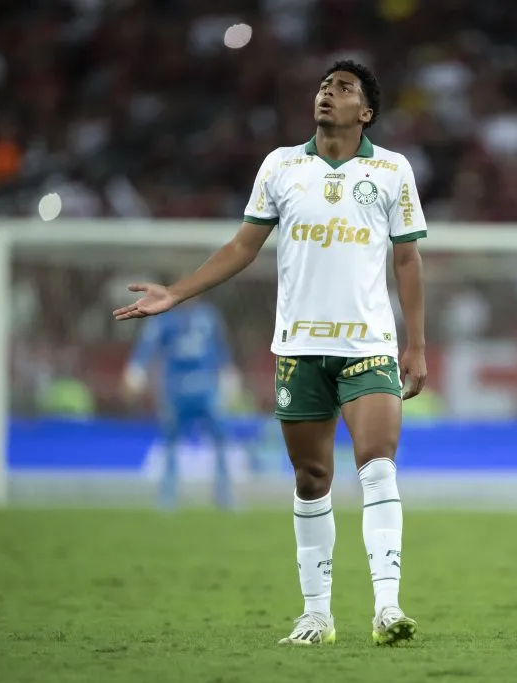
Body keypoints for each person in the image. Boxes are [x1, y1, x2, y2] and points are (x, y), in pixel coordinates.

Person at [113, 60, 427, 646]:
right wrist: (176, 293)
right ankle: (317, 615)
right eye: (323, 85)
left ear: (367, 112)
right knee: (312, 478)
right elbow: (242, 245)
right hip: (300, 348)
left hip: (370, 345)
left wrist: (417, 343)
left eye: (344, 88)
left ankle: (388, 607)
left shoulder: (391, 171)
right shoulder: (280, 166)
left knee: (378, 466)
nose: (327, 93)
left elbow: (406, 258)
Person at [124, 299, 238, 510]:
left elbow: (220, 347)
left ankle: (224, 494)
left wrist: (228, 373)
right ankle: (168, 496)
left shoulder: (209, 315)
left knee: (221, 438)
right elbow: (148, 344)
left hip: (206, 386)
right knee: (171, 442)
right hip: (176, 388)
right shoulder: (164, 318)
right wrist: (136, 369)